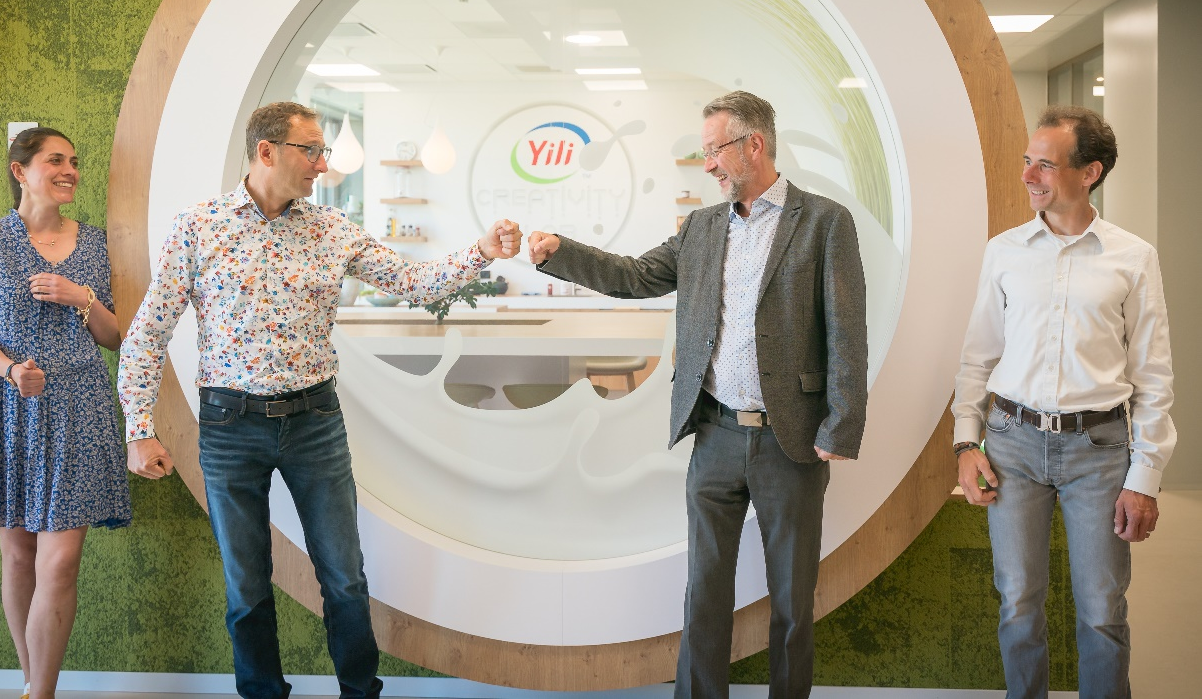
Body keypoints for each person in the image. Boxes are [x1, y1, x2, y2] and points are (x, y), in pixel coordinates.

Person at [117, 101, 522, 699]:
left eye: (323, 151)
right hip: (230, 426)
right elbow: (148, 333)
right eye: (311, 150)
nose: (322, 164)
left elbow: (413, 282)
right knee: (246, 585)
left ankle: (359, 693)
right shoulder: (199, 227)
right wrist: (138, 428)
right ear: (266, 151)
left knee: (344, 578)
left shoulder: (331, 228)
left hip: (315, 422)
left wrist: (481, 251)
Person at [528, 91, 868, 699]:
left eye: (714, 151)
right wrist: (562, 251)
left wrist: (841, 424)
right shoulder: (703, 227)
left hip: (790, 442)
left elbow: (847, 328)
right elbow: (636, 276)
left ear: (754, 145)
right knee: (704, 593)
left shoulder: (824, 221)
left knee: (792, 601)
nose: (707, 164)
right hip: (713, 434)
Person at [953, 106, 1175, 699]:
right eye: (1028, 161)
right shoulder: (1004, 251)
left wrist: (1145, 477)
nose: (1029, 175)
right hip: (1012, 445)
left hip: (1099, 450)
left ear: (1090, 172)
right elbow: (978, 357)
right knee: (1017, 601)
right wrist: (966, 442)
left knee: (1102, 609)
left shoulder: (1133, 257)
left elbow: (1153, 377)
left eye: (1045, 165)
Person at [0, 127, 129, 699]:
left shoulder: (98, 243)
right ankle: (33, 685)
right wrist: (10, 370)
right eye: (55, 160)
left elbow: (115, 337)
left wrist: (83, 298)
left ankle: (40, 693)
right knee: (19, 555)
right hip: (7, 405)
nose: (70, 170)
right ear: (20, 170)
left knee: (60, 562)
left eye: (74, 161)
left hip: (80, 409)